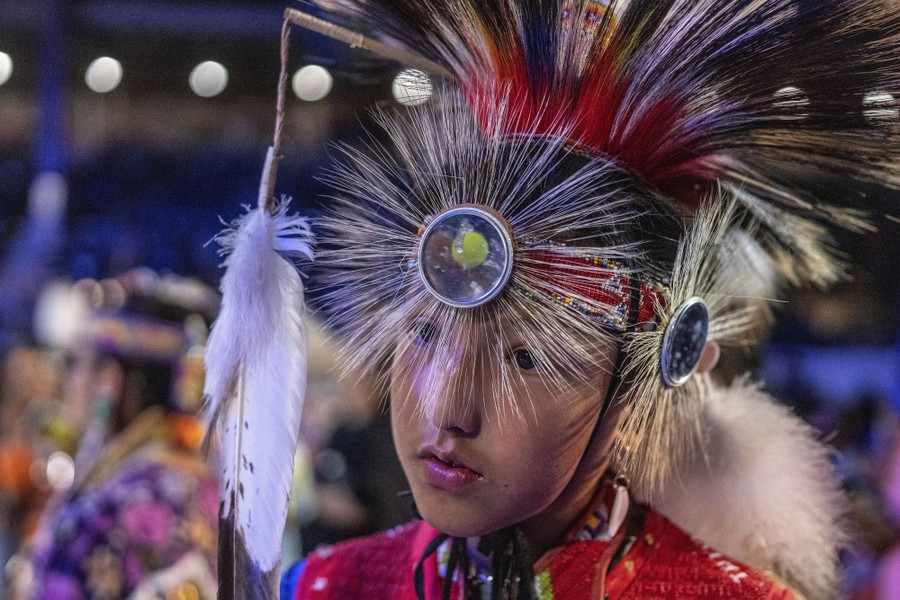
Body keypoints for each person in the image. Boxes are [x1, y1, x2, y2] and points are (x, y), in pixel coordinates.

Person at [199, 0, 896, 598]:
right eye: (424, 335)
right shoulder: (326, 586)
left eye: (529, 358)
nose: (448, 409)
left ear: (641, 380)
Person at [17, 271, 222, 599]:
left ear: (109, 382)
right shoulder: (211, 490)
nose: (70, 381)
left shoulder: (102, 513)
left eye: (77, 364)